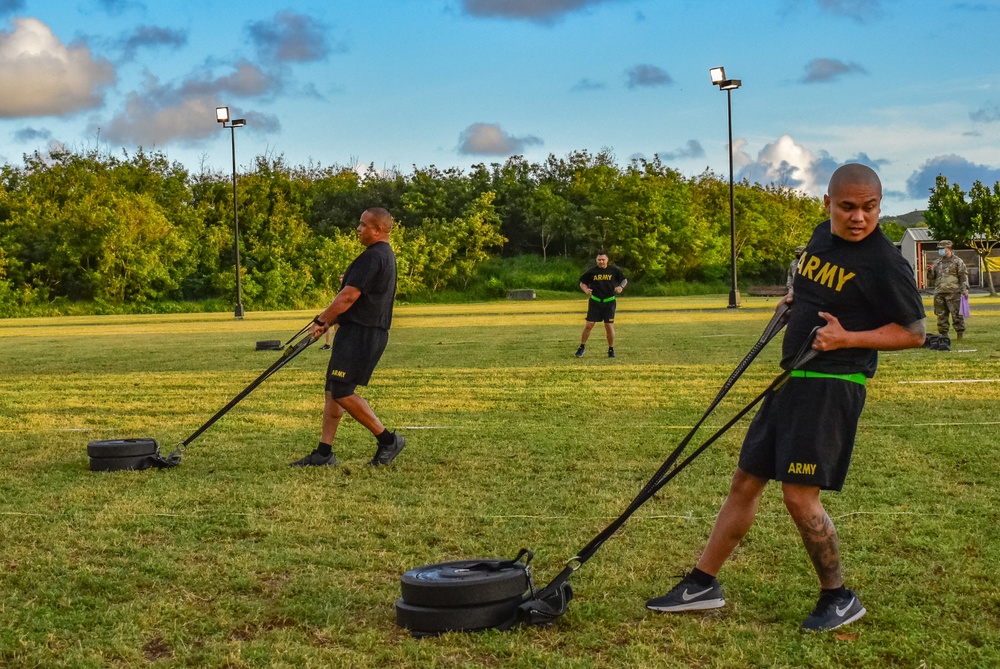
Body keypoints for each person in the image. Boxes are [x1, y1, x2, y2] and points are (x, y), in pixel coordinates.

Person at [645, 164, 926, 631]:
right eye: (848, 207)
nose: (859, 218)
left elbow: (915, 334)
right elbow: (814, 284)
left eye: (870, 208)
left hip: (832, 385)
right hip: (792, 377)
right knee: (746, 481)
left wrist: (847, 339)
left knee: (799, 497)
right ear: (828, 205)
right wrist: (793, 301)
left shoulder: (884, 262)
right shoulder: (820, 238)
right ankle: (703, 583)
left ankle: (839, 597)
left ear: (880, 205)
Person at [291, 208, 405, 468]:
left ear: (378, 230)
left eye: (364, 225)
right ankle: (324, 453)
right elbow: (360, 298)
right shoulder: (379, 255)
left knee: (343, 391)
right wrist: (331, 321)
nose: (358, 229)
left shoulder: (374, 256)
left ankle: (388, 440)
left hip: (364, 334)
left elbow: (348, 296)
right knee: (333, 390)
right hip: (355, 329)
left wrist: (322, 320)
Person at [575, 253, 627, 358]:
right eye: (599, 260)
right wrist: (586, 290)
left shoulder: (614, 270)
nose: (601, 262)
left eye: (603, 259)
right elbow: (582, 282)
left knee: (608, 325)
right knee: (589, 324)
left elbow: (624, 280)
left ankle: (611, 349)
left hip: (609, 301)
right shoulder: (592, 272)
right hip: (595, 301)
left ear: (607, 260)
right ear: (596, 260)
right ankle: (582, 347)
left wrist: (620, 287)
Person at [926, 240, 968, 340]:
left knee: (957, 315)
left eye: (942, 248)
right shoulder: (937, 262)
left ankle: (959, 334)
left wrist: (965, 289)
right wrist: (929, 271)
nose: (940, 250)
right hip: (940, 292)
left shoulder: (958, 261)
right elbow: (932, 278)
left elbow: (963, 276)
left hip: (954, 292)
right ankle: (944, 335)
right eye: (939, 249)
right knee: (941, 315)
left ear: (949, 248)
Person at [320, 274, 346, 351]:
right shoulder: (342, 288)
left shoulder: (347, 288)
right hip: (338, 310)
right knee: (334, 325)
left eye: (342, 278)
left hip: (342, 310)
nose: (340, 279)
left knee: (334, 325)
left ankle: (335, 344)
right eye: (340, 278)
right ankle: (330, 344)